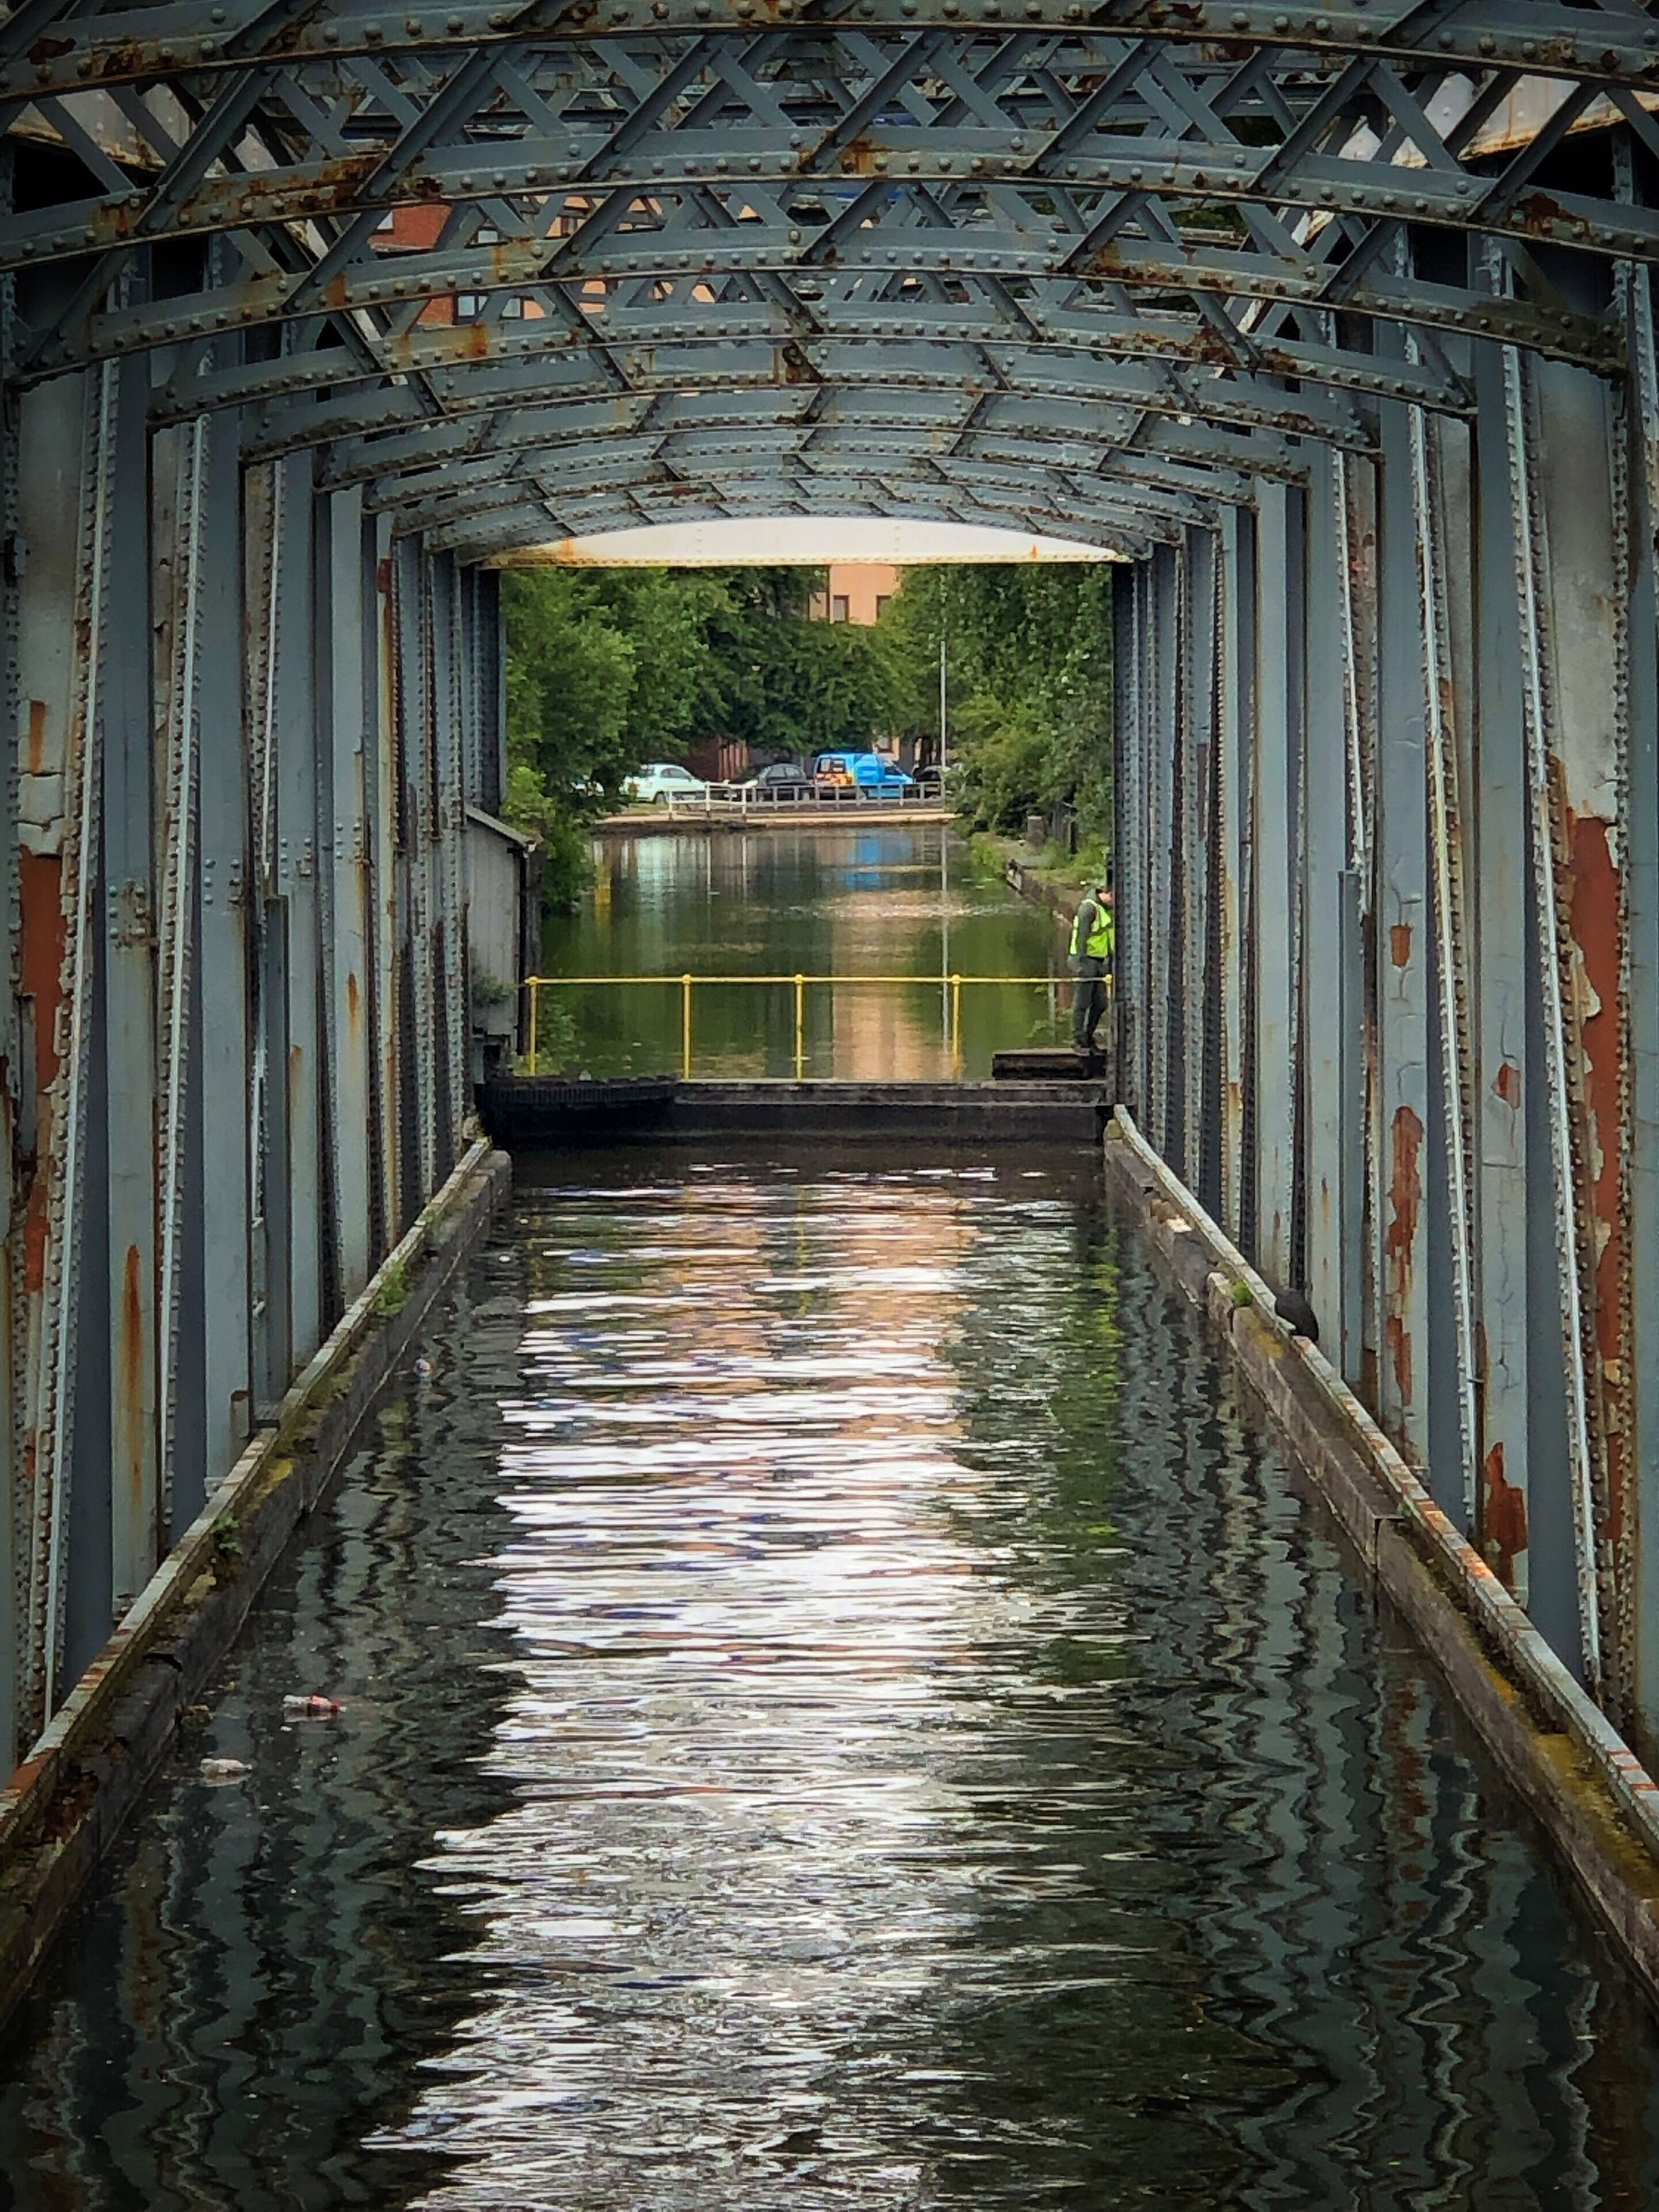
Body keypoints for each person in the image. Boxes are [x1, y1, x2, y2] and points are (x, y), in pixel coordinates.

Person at [1069, 873, 1115, 1054]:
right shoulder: (1089, 909)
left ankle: (1088, 1037)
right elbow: (1081, 937)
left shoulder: (1105, 909)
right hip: (1085, 960)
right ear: (1109, 894)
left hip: (1098, 960)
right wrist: (1079, 964)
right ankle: (1078, 1040)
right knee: (1082, 1001)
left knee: (1101, 1003)